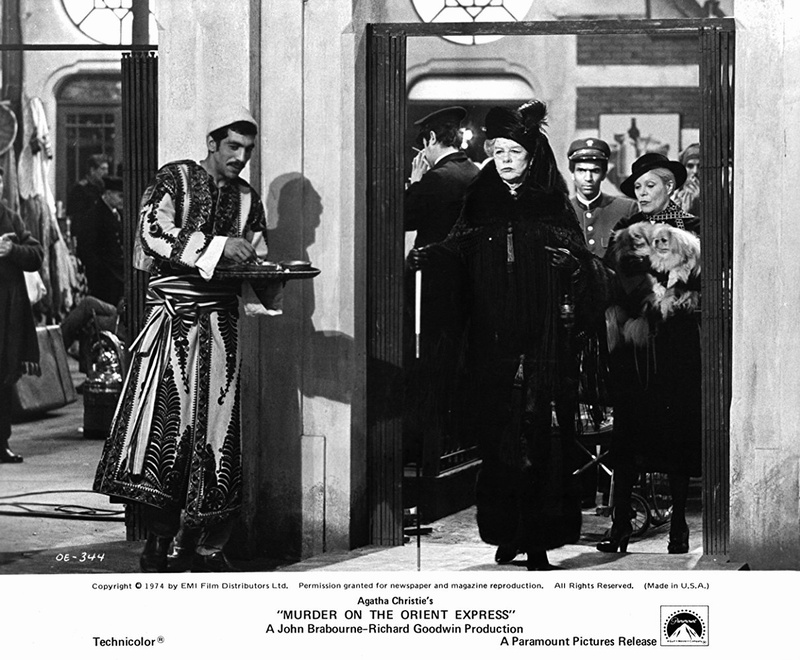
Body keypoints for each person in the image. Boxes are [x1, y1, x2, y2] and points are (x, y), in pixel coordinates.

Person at [409, 101, 611, 570]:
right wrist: (432, 257)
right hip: (492, 337)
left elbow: (588, 266)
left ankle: (538, 539)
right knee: (497, 438)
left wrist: (571, 266)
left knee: (538, 438)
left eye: (514, 152)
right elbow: (458, 249)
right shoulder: (480, 198)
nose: (504, 160)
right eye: (498, 151)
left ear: (531, 156)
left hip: (542, 338)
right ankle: (506, 532)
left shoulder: (551, 202)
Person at [93, 105, 282, 573]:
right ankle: (158, 542)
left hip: (222, 328)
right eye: (233, 146)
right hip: (173, 325)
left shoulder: (248, 198)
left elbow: (255, 255)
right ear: (212, 143)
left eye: (248, 150)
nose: (241, 157)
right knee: (165, 431)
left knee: (219, 437)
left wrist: (267, 271)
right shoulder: (174, 178)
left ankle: (206, 547)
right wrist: (219, 246)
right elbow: (152, 234)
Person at [597, 152, 701, 555]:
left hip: (675, 346)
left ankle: (679, 527)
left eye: (650, 185)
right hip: (633, 348)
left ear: (669, 187)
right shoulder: (624, 231)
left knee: (677, 435)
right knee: (627, 435)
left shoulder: (692, 229)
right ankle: (620, 525)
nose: (642, 193)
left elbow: (698, 283)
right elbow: (610, 280)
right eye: (638, 187)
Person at [403, 106, 479, 470]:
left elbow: (404, 217)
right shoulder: (475, 173)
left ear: (431, 139)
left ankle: (424, 450)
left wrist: (415, 180)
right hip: (468, 288)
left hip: (432, 288)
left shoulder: (436, 179)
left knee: (428, 368)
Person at [0, 166, 44, 463]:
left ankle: (0, 443)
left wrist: (12, 249)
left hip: (6, 315)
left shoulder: (10, 217)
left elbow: (37, 255)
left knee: (4, 379)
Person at [567, 137, 638, 259]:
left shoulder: (626, 209)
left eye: (595, 171)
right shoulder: (562, 211)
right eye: (581, 170)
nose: (588, 178)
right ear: (572, 174)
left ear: (604, 174)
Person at [75, 175, 124, 305]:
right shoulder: (94, 215)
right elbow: (85, 249)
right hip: (103, 279)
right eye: (120, 196)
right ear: (108, 194)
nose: (123, 200)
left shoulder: (118, 214)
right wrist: (99, 273)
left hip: (118, 277)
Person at [67, 154, 108, 243]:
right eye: (103, 169)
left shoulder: (102, 188)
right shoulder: (80, 189)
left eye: (107, 169)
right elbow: (75, 216)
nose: (106, 172)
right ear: (92, 170)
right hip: (85, 236)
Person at [672, 143, 701, 215]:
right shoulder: (673, 196)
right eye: (690, 166)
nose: (695, 171)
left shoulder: (714, 196)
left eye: (699, 166)